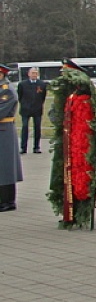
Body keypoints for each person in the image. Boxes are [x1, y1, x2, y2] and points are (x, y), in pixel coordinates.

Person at [0, 65, 21, 211]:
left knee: (6, 166)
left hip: (4, 130)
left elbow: (2, 110)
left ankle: (8, 201)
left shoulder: (7, 90)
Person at [17, 67, 46, 155]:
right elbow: (20, 96)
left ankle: (36, 147)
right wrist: (24, 104)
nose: (34, 75)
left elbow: (43, 96)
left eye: (36, 73)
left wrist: (38, 104)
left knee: (37, 128)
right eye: (32, 73)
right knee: (25, 127)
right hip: (25, 109)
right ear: (29, 74)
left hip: (37, 109)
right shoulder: (22, 84)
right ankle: (23, 148)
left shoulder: (42, 84)